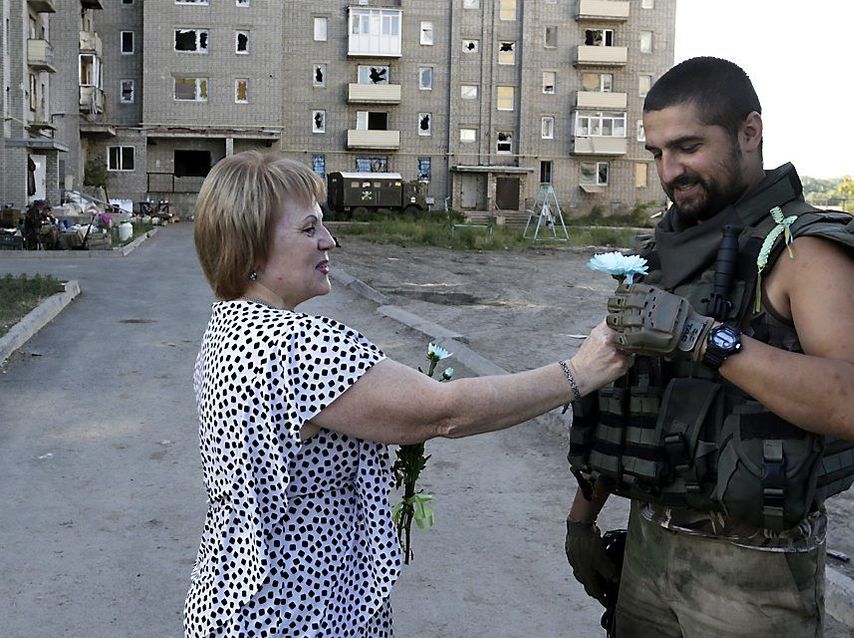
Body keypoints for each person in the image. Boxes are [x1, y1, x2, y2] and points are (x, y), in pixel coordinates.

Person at [185, 151, 632, 638]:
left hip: (236, 600)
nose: (329, 240)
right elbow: (444, 413)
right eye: (309, 229)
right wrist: (580, 372)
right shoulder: (295, 343)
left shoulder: (229, 327)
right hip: (295, 610)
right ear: (251, 249)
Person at [564, 57, 854, 637]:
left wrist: (704, 338)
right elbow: (627, 401)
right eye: (656, 153)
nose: (669, 171)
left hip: (751, 573)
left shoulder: (802, 250)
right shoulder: (661, 251)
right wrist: (582, 520)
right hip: (646, 546)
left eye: (687, 147)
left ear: (749, 131)